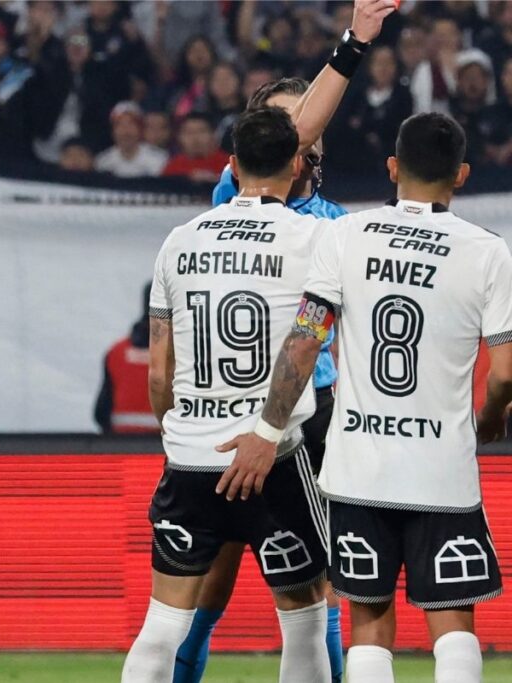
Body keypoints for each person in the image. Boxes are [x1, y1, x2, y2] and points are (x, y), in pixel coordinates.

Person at [122, 4, 396, 681]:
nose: (314, 128)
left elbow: (163, 371)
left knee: (306, 596)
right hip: (280, 426)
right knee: (246, 591)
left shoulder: (205, 233)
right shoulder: (312, 231)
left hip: (306, 410)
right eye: (300, 121)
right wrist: (356, 44)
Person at [218, 112, 511, 683]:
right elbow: (505, 373)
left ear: (393, 167)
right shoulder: (488, 252)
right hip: (440, 467)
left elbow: (304, 343)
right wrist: (490, 417)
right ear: (463, 174)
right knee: (452, 624)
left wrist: (266, 431)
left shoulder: (344, 235)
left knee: (369, 622)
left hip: (358, 469)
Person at [184, 77, 350, 683]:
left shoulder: (338, 223)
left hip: (316, 408)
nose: (301, 135)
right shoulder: (236, 196)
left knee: (316, 582)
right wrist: (352, 46)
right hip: (235, 408)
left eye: (308, 124)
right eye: (288, 124)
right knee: (215, 570)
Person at [94, 283, 160, 435]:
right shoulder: (184, 355)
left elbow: (101, 413)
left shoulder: (117, 353)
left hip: (122, 447)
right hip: (165, 450)